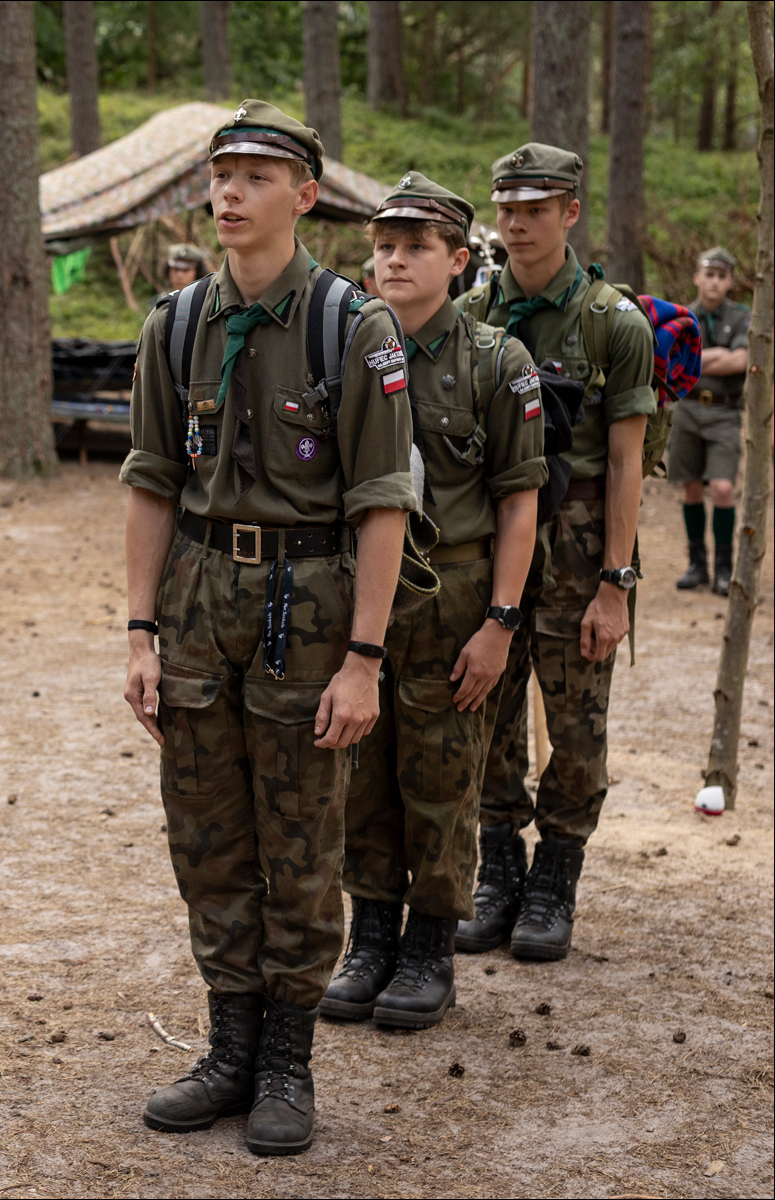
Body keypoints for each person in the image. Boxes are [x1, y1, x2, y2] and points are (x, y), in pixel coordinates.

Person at [121, 100, 415, 1157]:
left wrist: (365, 660)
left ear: (306, 195)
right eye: (221, 175)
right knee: (205, 834)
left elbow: (382, 503)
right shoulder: (175, 325)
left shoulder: (353, 327)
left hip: (311, 603)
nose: (230, 194)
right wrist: (139, 633)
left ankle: (287, 1061)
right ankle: (228, 1050)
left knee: (300, 838)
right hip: (200, 599)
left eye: (255, 176)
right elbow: (153, 481)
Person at [323, 174, 546, 1031]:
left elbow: (519, 502)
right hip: (362, 596)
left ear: (457, 261)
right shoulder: (345, 348)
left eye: (416, 246)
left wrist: (501, 623)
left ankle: (429, 947)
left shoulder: (496, 361)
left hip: (455, 595)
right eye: (384, 245)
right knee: (361, 775)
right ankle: (372, 935)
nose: (394, 260)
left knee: (444, 778)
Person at [453, 143, 654, 963]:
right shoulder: (471, 313)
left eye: (535, 210)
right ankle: (498, 867)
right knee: (485, 706)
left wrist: (616, 584)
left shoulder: (614, 322)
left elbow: (628, 461)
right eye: (506, 209)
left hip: (579, 540)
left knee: (576, 721)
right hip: (492, 535)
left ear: (570, 213)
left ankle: (556, 876)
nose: (517, 224)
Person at [669, 247, 750, 596]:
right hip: (687, 409)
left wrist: (695, 359)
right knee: (690, 486)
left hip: (725, 411)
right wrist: (720, 354)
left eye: (721, 276)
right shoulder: (682, 317)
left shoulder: (742, 317)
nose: (715, 282)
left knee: (722, 488)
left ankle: (724, 568)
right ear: (697, 278)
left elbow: (741, 360)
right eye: (709, 274)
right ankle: (697, 565)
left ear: (730, 282)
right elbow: (672, 361)